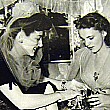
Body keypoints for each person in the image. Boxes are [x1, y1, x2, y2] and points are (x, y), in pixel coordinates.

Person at [0, 13, 80, 110]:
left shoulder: (21, 58)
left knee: (47, 88)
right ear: (20, 37)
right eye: (37, 38)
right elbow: (21, 102)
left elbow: (36, 79)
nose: (41, 44)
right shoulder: (2, 62)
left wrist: (65, 85)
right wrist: (62, 95)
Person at [67, 12, 110, 110]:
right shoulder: (81, 55)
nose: (87, 43)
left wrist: (108, 100)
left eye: (91, 38)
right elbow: (72, 82)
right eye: (83, 39)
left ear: (103, 33)